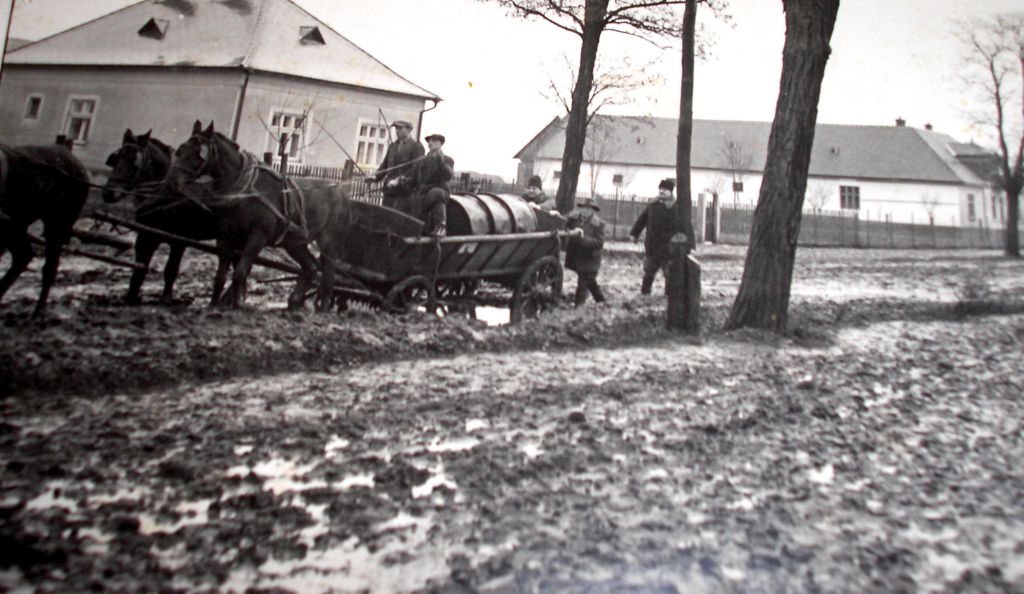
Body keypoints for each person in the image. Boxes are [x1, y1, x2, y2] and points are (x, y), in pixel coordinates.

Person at [630, 178, 679, 295]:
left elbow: (683, 226)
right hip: (652, 246)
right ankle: (645, 293)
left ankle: (669, 296)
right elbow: (642, 219)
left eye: (665, 190)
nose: (661, 191)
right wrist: (634, 233)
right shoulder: (653, 204)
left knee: (669, 273)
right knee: (648, 271)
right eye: (660, 189)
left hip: (668, 247)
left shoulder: (676, 206)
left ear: (671, 192)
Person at [367, 120, 425, 212]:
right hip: (389, 191)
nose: (397, 131)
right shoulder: (392, 146)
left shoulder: (416, 147)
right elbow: (385, 165)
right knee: (385, 216)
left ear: (409, 129)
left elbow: (415, 169)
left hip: (405, 193)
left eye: (400, 128)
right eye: (396, 128)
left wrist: (399, 181)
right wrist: (375, 177)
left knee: (398, 218)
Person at [410, 133, 454, 237]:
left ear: (441, 144)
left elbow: (448, 176)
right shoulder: (421, 160)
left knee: (435, 193)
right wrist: (400, 181)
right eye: (429, 141)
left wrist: (441, 162)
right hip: (423, 193)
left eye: (434, 141)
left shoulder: (447, 160)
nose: (430, 143)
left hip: (440, 191)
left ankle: (441, 227)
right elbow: (413, 178)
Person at [564, 197, 606, 306]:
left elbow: (599, 242)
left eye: (588, 209)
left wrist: (583, 238)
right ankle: (602, 301)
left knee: (583, 283)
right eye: (582, 207)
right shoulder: (573, 218)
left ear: (593, 211)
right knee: (590, 281)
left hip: (590, 258)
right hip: (576, 256)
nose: (584, 210)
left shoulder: (598, 224)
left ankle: (578, 307)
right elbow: (562, 223)